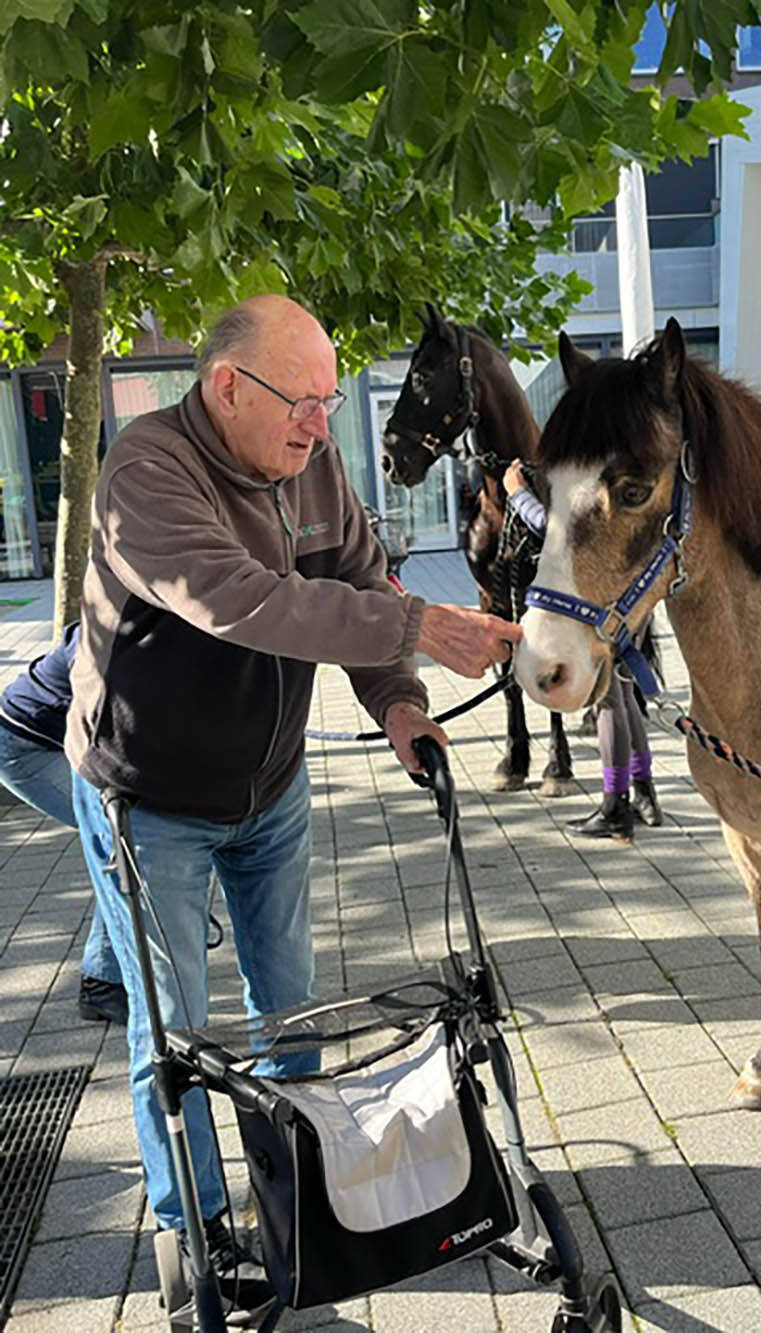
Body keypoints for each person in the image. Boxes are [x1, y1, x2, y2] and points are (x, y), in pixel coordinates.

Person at [66, 294, 520, 1314]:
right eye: (302, 401)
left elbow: (354, 574)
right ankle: (190, 1227)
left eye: (327, 399)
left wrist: (403, 705)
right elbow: (243, 601)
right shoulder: (146, 468)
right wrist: (417, 622)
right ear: (227, 386)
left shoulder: (308, 456)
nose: (322, 424)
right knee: (172, 1033)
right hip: (150, 798)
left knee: (297, 1013)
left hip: (269, 787)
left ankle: (300, 1201)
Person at [503, 458, 663, 842]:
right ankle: (645, 794)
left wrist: (518, 495)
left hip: (602, 600)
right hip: (627, 595)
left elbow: (558, 528)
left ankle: (614, 806)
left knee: (608, 698)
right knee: (624, 693)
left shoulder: (591, 465)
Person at [0, 623, 127, 1023]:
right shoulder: (106, 631)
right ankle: (101, 981)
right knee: (126, 844)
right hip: (24, 748)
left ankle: (120, 967)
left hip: (50, 740)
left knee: (132, 843)